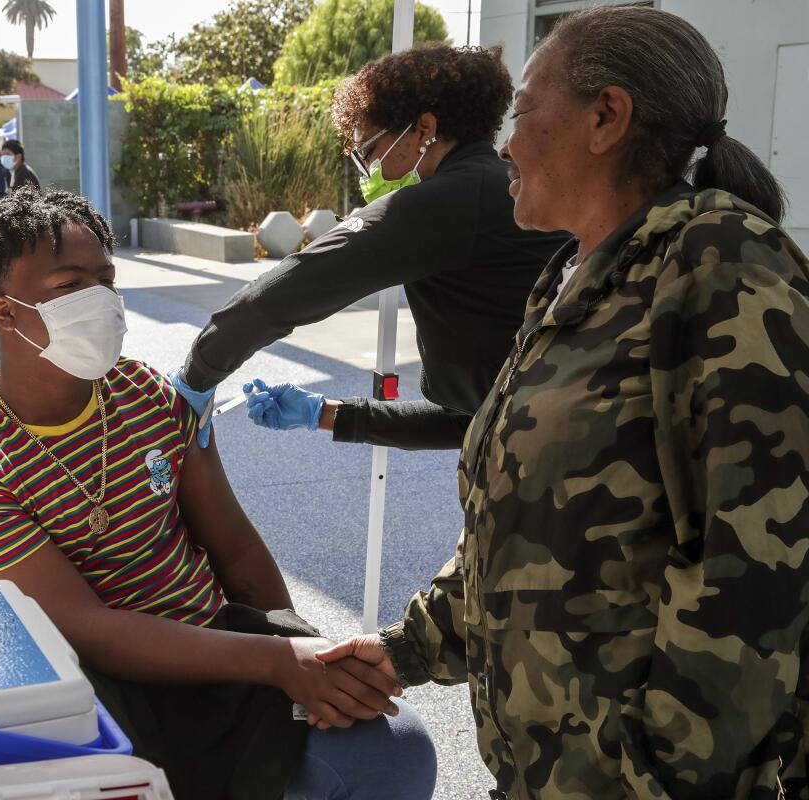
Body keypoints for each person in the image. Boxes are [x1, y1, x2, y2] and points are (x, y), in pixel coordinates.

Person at [322, 7, 809, 798]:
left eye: (522, 113)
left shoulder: (721, 267)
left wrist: (653, 778)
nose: (505, 144)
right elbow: (522, 526)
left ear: (605, 117)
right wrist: (405, 651)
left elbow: (753, 575)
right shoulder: (570, 277)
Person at [0, 187, 437, 800]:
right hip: (100, 700)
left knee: (395, 751)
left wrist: (299, 653)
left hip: (222, 652)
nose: (100, 301)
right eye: (69, 286)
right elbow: (87, 628)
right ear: (6, 313)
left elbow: (237, 552)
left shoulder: (147, 392)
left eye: (106, 281)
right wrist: (275, 665)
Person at [169, 45, 567, 450]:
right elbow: (473, 419)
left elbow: (277, 297)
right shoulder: (497, 189)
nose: (369, 172)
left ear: (424, 129)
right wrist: (320, 412)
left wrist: (193, 378)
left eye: (370, 152)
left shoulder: (442, 204)